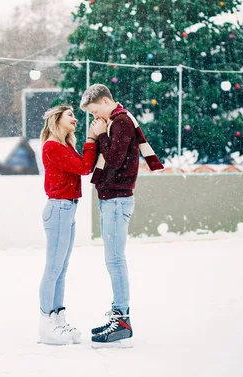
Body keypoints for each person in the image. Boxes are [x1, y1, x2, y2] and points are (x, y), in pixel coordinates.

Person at [79, 84, 163, 348]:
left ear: (106, 101)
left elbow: (114, 161)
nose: (94, 118)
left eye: (94, 111)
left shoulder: (121, 122)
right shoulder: (115, 122)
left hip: (117, 199)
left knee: (115, 261)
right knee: (113, 261)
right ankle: (119, 313)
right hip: (111, 199)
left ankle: (122, 321)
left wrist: (101, 136)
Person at [38, 104, 98, 345]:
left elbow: (85, 164)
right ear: (57, 119)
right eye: (70, 115)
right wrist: (92, 139)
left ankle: (58, 319)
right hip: (59, 208)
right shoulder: (52, 146)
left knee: (61, 270)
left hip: (68, 209)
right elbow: (85, 167)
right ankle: (46, 323)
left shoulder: (66, 145)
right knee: (53, 269)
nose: (75, 119)